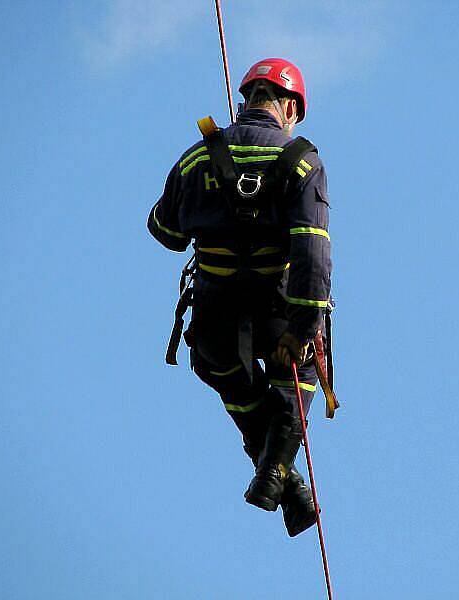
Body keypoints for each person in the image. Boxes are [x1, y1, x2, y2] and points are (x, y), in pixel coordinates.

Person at [147, 58, 332, 537]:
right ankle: (278, 468)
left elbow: (164, 231)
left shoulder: (194, 158)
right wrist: (302, 329)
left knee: (223, 371)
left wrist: (208, 201)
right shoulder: (303, 159)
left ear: (244, 99)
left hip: (216, 324)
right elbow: (313, 250)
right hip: (276, 318)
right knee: (305, 370)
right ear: (290, 106)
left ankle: (280, 479)